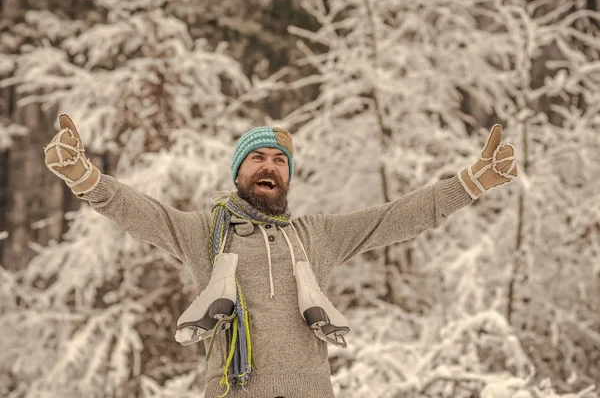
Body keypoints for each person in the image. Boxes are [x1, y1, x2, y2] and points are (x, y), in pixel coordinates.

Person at [44, 114, 517, 398]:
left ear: (287, 176)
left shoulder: (316, 237)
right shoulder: (206, 232)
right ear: (239, 172)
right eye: (257, 158)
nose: (269, 165)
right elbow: (138, 212)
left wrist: (470, 183)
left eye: (278, 160)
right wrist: (84, 178)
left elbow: (399, 216)